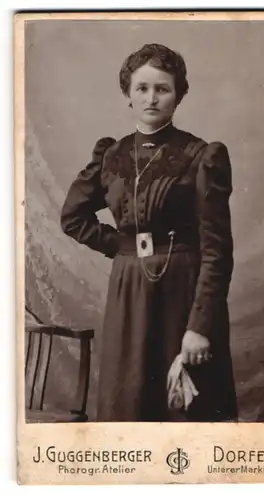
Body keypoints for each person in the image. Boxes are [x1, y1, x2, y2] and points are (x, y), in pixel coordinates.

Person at [60, 43, 238, 422]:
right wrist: (126, 248)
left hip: (183, 291)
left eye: (163, 88)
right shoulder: (112, 155)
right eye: (142, 88)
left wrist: (200, 327)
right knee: (130, 403)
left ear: (178, 96)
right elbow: (73, 218)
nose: (152, 98)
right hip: (129, 292)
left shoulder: (202, 156)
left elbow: (217, 252)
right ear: (128, 93)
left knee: (188, 414)